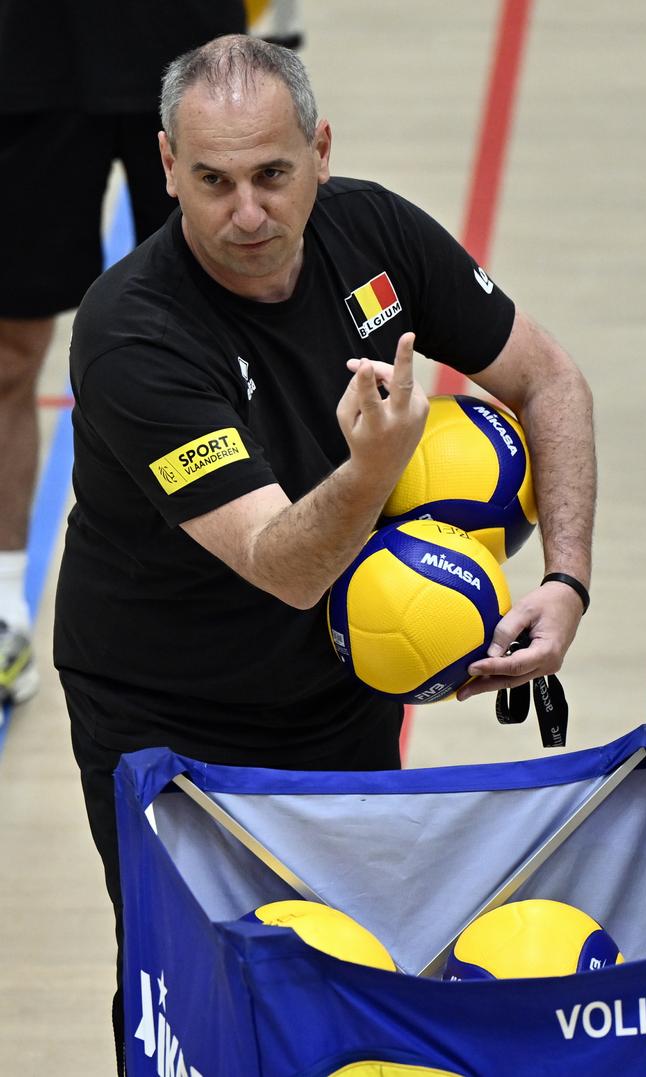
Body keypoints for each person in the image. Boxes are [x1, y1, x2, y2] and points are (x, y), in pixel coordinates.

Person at [53, 34, 596, 1073]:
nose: (246, 213)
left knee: (350, 964)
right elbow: (284, 563)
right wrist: (372, 464)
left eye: (271, 174)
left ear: (321, 151)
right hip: (165, 716)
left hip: (339, 689)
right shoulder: (135, 331)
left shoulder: (373, 233)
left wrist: (565, 578)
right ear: (166, 165)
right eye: (211, 181)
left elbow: (551, 380)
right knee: (198, 983)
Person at [0, 0, 248, 705]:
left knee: (220, 329)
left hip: (185, 42)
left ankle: (236, 578)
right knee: (10, 351)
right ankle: (3, 609)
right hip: (31, 55)